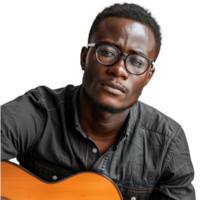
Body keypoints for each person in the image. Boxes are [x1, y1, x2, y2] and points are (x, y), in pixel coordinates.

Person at [0, 0, 196, 199]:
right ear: (84, 57)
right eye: (107, 52)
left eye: (137, 62)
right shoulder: (37, 111)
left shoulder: (168, 142)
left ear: (149, 77)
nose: (118, 70)